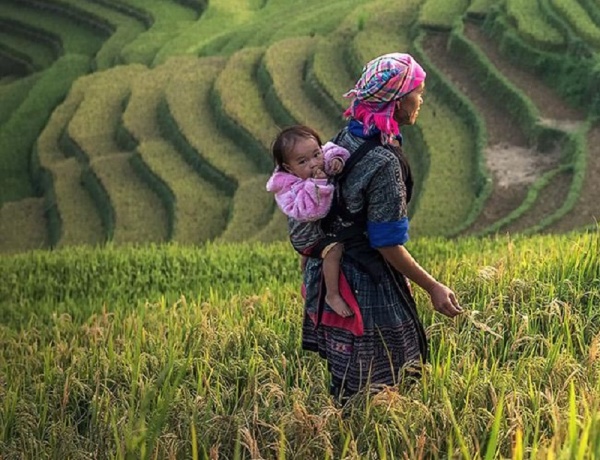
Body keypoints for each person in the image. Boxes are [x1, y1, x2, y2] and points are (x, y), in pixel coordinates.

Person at [289, 52, 463, 403]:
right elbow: (386, 242)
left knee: (349, 378)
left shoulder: (349, 135)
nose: (421, 100)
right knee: (390, 374)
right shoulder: (384, 163)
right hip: (363, 280)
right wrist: (434, 287)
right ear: (397, 103)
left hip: (331, 273)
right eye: (417, 92)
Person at [266, 125, 354, 318]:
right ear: (289, 168)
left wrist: (336, 160)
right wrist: (318, 184)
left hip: (314, 228)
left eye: (316, 154)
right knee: (334, 249)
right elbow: (313, 212)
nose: (314, 164)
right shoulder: (287, 188)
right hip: (306, 234)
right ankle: (332, 294)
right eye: (303, 161)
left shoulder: (319, 159)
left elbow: (330, 150)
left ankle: (307, 260)